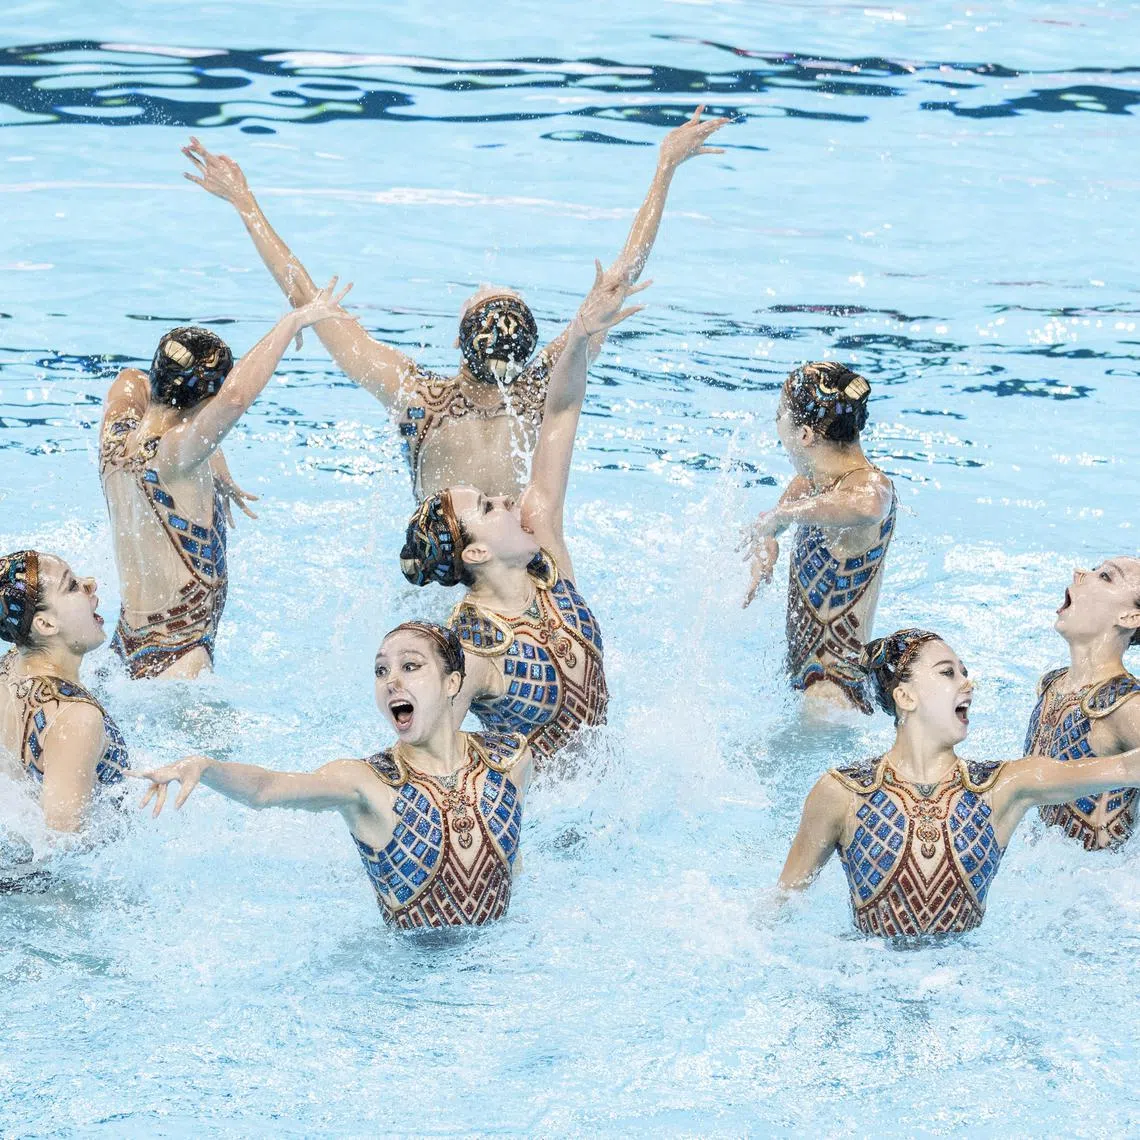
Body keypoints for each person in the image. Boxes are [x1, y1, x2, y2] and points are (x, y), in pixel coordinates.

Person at [180, 106, 729, 499]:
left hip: (435, 584)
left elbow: (307, 298)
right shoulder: (549, 387)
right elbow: (622, 276)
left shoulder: (417, 397)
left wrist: (244, 202)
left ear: (458, 340)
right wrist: (665, 169)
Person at [398, 261, 645, 766]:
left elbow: (560, 410)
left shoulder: (546, 558)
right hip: (541, 816)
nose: (508, 499)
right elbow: (428, 748)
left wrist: (579, 334)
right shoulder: (470, 644)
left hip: (611, 797)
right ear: (477, 550)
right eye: (489, 507)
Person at [135, 622, 532, 929]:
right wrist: (206, 767)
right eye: (381, 671)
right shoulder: (367, 783)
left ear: (453, 683)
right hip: (414, 984)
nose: (391, 681)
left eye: (410, 666)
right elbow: (267, 789)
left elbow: (510, 859)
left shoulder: (510, 759)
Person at [778, 627, 1140, 939]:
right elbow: (781, 906)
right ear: (905, 697)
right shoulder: (842, 793)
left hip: (964, 988)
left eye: (964, 673)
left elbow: (1126, 769)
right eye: (947, 673)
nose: (968, 683)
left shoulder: (1004, 787)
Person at [99, 281, 356, 679]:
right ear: (206, 406)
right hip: (180, 661)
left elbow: (131, 378)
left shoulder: (116, 437)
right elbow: (234, 400)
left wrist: (212, 453)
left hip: (127, 647)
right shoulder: (175, 456)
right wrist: (292, 322)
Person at [742, 362, 896, 716]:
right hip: (806, 686)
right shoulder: (811, 484)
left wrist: (784, 517)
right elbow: (772, 526)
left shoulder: (869, 484)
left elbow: (871, 505)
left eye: (780, 415)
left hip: (835, 697)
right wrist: (767, 542)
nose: (777, 425)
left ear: (806, 435)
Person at [0, 551, 130, 833]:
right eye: (71, 586)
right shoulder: (76, 718)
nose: (90, 584)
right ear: (45, 624)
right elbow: (65, 845)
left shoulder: (9, 665)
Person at [1023, 558, 1140, 850]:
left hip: (1104, 882)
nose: (1079, 573)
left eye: (1105, 576)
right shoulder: (1050, 685)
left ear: (1129, 617)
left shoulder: (1125, 705)